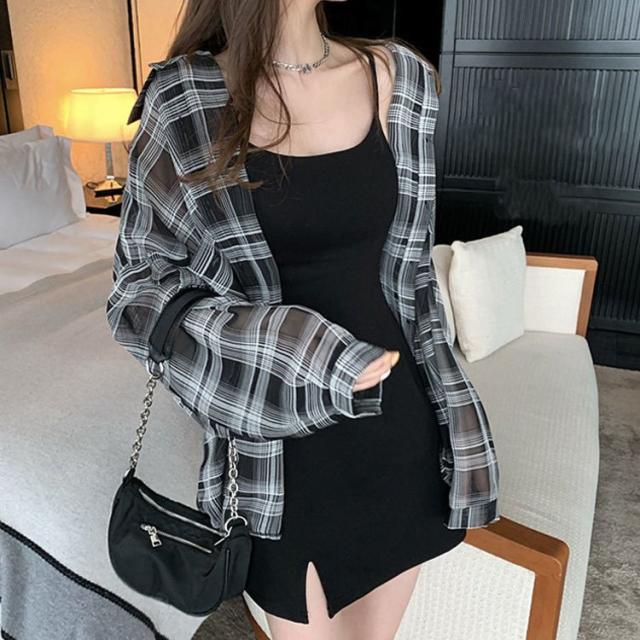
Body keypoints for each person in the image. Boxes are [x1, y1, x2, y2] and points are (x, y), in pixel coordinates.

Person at [107, 1, 500, 638]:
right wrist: (302, 351)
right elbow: (139, 295)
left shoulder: (401, 77)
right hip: (280, 451)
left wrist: (458, 418)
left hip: (402, 430)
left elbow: (415, 278)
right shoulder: (185, 98)